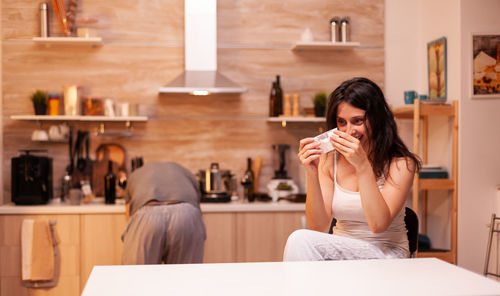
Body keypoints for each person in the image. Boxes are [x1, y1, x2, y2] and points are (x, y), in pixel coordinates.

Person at [283, 77, 420, 261]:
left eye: (357, 121)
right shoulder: (330, 159)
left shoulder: (401, 164)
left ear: (376, 119)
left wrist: (362, 166)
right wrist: (312, 174)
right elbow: (317, 227)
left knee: (299, 240)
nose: (349, 131)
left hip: (387, 254)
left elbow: (378, 224)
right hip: (342, 253)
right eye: (342, 122)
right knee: (300, 239)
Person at [121, 162, 206, 264]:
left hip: (147, 216)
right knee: (186, 276)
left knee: (139, 276)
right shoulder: (186, 172)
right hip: (186, 214)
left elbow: (128, 215)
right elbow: (197, 205)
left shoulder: (135, 175)